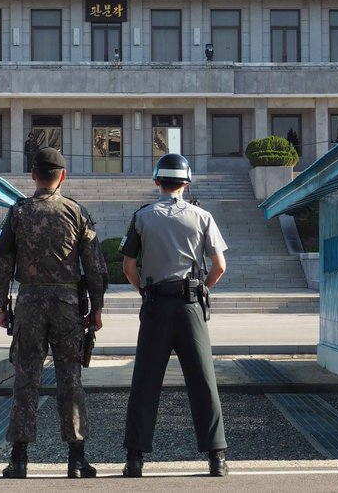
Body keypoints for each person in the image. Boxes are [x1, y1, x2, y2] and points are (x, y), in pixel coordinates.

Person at [0, 147, 108, 479]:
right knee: (70, 380)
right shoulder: (76, 212)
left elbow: (2, 265)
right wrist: (96, 308)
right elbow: (96, 267)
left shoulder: (18, 212)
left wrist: (1, 306)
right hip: (68, 306)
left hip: (29, 304)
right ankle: (77, 460)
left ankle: (19, 460)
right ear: (63, 176)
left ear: (33, 176)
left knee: (26, 380)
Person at [119, 153, 229, 478]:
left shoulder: (142, 217)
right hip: (190, 304)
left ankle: (135, 459)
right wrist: (202, 288)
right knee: (203, 381)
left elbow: (127, 265)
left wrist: (144, 291)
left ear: (157, 182)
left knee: (145, 381)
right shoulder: (202, 216)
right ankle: (216, 458)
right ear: (186, 182)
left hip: (155, 306)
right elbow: (220, 266)